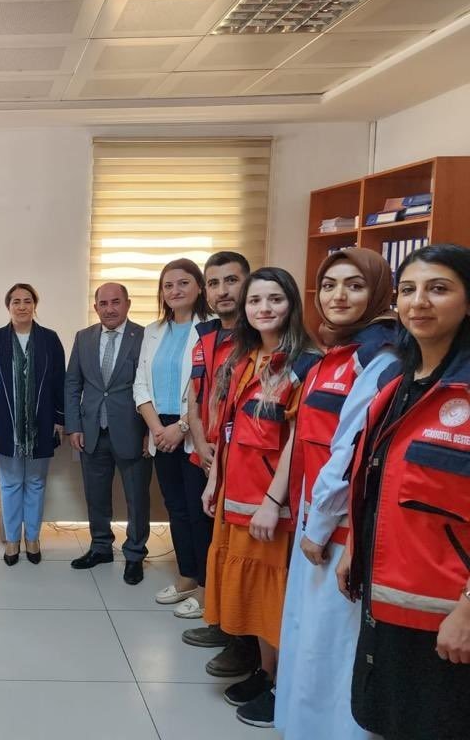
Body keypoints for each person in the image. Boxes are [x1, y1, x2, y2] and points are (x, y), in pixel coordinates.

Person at [341, 244, 470, 740]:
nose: (419, 302)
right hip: (388, 597)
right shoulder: (397, 382)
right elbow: (378, 479)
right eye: (409, 290)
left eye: (438, 289)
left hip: (447, 617)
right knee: (387, 718)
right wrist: (356, 544)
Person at [275, 249, 397, 740]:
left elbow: (350, 450)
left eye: (354, 285)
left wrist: (320, 523)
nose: (338, 295)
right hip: (313, 512)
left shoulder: (380, 357)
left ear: (378, 293)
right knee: (307, 634)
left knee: (332, 641)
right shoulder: (335, 353)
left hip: (339, 525)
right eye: (329, 285)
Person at [200, 267, 321, 728]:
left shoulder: (305, 364)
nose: (264, 308)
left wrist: (274, 500)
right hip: (236, 491)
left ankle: (281, 686)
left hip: (270, 501)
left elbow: (297, 438)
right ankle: (264, 670)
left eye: (274, 299)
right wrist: (215, 481)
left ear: (291, 303)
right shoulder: (245, 358)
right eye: (256, 301)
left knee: (273, 596)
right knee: (249, 588)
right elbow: (230, 430)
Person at [181, 252, 257, 674]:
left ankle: (242, 640)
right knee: (215, 545)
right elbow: (196, 395)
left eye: (231, 281)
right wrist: (198, 436)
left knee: (241, 554)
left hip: (244, 465)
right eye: (214, 283)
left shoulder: (261, 336)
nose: (222, 290)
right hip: (205, 457)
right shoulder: (205, 336)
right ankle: (221, 619)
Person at [134, 259, 212, 615]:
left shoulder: (211, 332)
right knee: (175, 507)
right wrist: (156, 428)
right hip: (159, 428)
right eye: (168, 285)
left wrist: (181, 428)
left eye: (183, 283)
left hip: (193, 429)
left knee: (200, 509)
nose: (175, 290)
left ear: (199, 288)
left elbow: (209, 390)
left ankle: (208, 588)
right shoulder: (153, 331)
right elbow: (140, 384)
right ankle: (186, 577)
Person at [65, 282, 151, 584]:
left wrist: (148, 432)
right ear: (96, 307)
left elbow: (149, 386)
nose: (110, 308)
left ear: (127, 304)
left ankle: (135, 553)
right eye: (104, 303)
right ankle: (100, 546)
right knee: (96, 496)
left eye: (116, 302)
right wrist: (74, 426)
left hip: (132, 430)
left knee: (136, 498)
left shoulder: (143, 337)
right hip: (91, 432)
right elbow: (73, 384)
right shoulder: (84, 338)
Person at [0, 283, 65, 565]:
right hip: (5, 421)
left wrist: (59, 419)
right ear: (8, 306)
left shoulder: (50, 339)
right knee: (8, 484)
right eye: (16, 301)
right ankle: (11, 540)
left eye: (27, 300)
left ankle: (32, 537)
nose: (22, 306)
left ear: (35, 305)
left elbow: (59, 382)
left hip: (41, 423)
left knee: (35, 482)